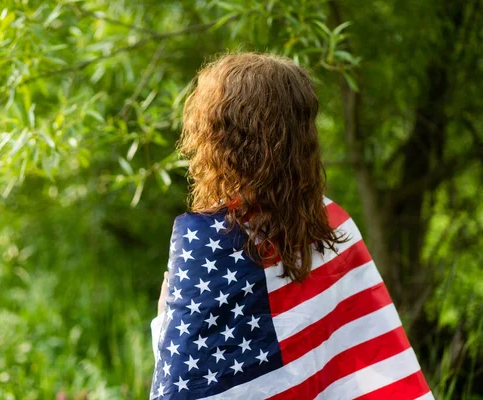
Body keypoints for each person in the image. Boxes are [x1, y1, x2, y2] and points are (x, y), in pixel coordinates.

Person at [149, 52, 433, 399]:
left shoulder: (207, 241)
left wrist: (162, 320)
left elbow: (184, 385)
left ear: (219, 136)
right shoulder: (332, 225)